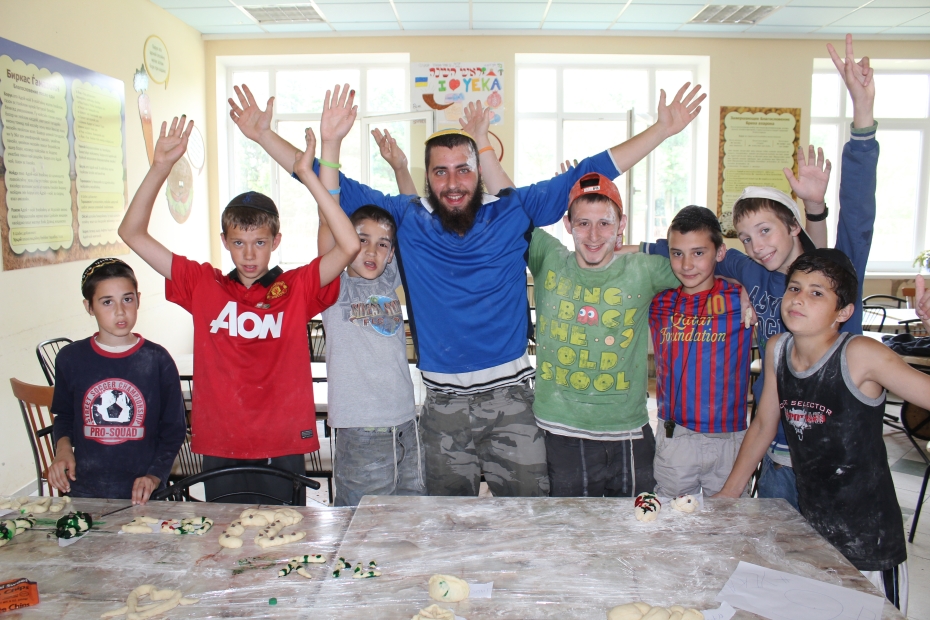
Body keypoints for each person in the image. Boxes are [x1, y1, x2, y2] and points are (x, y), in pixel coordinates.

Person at [229, 80, 705, 497]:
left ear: (479, 170)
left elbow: (590, 169)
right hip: (442, 407)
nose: (453, 182)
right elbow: (317, 177)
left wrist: (662, 130)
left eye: (463, 169)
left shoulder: (512, 212)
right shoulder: (407, 218)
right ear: (427, 178)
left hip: (512, 403)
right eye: (440, 171)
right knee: (446, 523)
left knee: (529, 517)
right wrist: (262, 135)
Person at [640, 35, 877, 509]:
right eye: (747, 238)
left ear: (793, 226)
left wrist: (862, 118)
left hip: (837, 458)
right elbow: (698, 251)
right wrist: (622, 245)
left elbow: (858, 217)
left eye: (765, 231)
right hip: (774, 452)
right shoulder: (750, 270)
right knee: (763, 546)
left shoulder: (833, 277)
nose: (757, 245)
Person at [118, 116, 360, 504]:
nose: (249, 254)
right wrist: (160, 167)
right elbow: (131, 233)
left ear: (276, 241)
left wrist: (307, 175)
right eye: (238, 243)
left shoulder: (295, 288)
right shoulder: (203, 284)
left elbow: (349, 245)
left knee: (285, 533)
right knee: (226, 535)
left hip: (282, 438)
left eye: (260, 242)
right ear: (225, 242)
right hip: (222, 439)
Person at [716, 249, 927, 614]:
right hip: (812, 528)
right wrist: (729, 493)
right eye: (794, 288)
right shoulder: (778, 350)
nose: (799, 298)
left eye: (817, 293)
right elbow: (764, 424)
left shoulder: (861, 355)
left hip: (869, 539)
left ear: (843, 312)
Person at [528, 174, 684, 496]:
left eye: (605, 223)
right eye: (583, 223)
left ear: (621, 224)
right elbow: (507, 211)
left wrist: (744, 289)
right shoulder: (549, 257)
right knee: (571, 523)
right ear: (567, 224)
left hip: (627, 430)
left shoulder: (643, 269)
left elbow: (703, 258)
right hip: (561, 430)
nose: (594, 235)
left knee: (636, 521)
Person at [308, 126, 425, 507]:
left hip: (405, 423)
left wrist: (401, 168)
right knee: (361, 523)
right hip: (360, 430)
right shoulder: (334, 287)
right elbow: (327, 219)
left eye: (382, 244)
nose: (371, 251)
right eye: (361, 240)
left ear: (391, 254)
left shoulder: (389, 279)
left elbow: (413, 222)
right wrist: (331, 147)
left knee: (408, 516)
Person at [47, 259, 186, 505]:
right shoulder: (71, 358)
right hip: (85, 490)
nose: (120, 311)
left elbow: (173, 430)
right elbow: (65, 416)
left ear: (138, 300)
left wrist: (155, 475)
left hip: (145, 494)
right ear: (89, 307)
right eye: (107, 302)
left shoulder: (158, 360)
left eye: (127, 299)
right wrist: (63, 449)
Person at [648, 207, 752, 499]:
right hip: (675, 437)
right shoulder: (658, 302)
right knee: (673, 518)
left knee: (730, 520)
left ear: (720, 253)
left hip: (729, 438)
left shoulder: (741, 299)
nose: (686, 265)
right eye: (677, 253)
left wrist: (748, 284)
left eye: (698, 253)